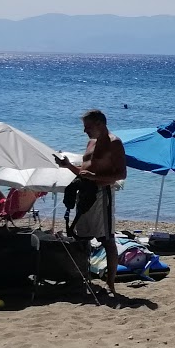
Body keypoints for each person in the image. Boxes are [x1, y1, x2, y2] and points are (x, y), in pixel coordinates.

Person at [58, 109, 128, 298]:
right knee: (81, 237)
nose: (85, 131)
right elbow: (83, 172)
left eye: (88, 127)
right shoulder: (91, 143)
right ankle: (81, 278)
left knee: (107, 239)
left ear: (100, 124)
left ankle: (111, 282)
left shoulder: (114, 143)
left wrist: (96, 177)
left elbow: (121, 174)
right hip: (85, 191)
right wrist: (68, 166)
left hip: (102, 193)